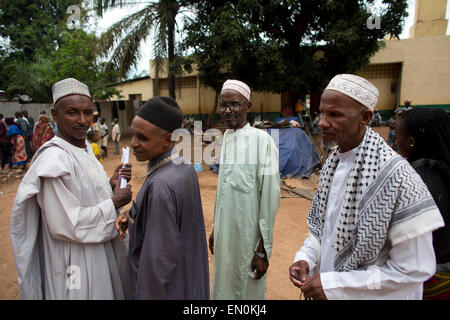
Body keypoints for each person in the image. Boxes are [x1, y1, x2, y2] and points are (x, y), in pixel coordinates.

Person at [289, 74, 444, 300]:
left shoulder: (397, 178)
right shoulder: (333, 163)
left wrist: (335, 285)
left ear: (365, 117)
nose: (322, 122)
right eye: (321, 112)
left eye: (335, 114)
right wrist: (306, 258)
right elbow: (324, 232)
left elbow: (413, 269)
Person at [10, 78, 133, 300]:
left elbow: (83, 194)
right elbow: (67, 222)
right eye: (73, 112)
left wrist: (110, 184)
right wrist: (114, 202)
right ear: (55, 115)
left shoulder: (84, 149)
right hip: (73, 260)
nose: (83, 120)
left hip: (98, 250)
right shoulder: (54, 158)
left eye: (88, 112)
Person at [115, 96, 209, 300]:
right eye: (133, 135)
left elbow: (156, 262)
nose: (133, 144)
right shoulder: (185, 167)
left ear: (169, 139)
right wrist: (132, 218)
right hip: (187, 281)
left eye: (143, 138)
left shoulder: (160, 185)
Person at [209, 80, 280, 300]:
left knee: (246, 292)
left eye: (234, 104)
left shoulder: (263, 142)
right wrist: (215, 229)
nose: (227, 110)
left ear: (248, 106)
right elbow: (223, 193)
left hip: (248, 240)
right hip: (225, 236)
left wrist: (262, 250)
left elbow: (270, 199)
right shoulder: (227, 139)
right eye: (223, 105)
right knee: (223, 287)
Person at [395, 107, 450, 300]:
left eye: (398, 136)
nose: (395, 141)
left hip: (430, 278)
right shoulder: (443, 170)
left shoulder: (416, 180)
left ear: (411, 142)